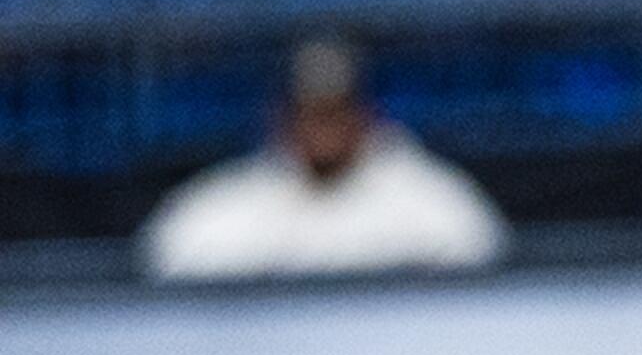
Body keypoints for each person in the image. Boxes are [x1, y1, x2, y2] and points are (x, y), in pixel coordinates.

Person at [140, 36, 507, 282]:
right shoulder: (231, 203)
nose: (322, 128)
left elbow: (479, 254)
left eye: (336, 111)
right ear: (281, 116)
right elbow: (169, 254)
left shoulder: (428, 198)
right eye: (309, 111)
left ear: (365, 113)